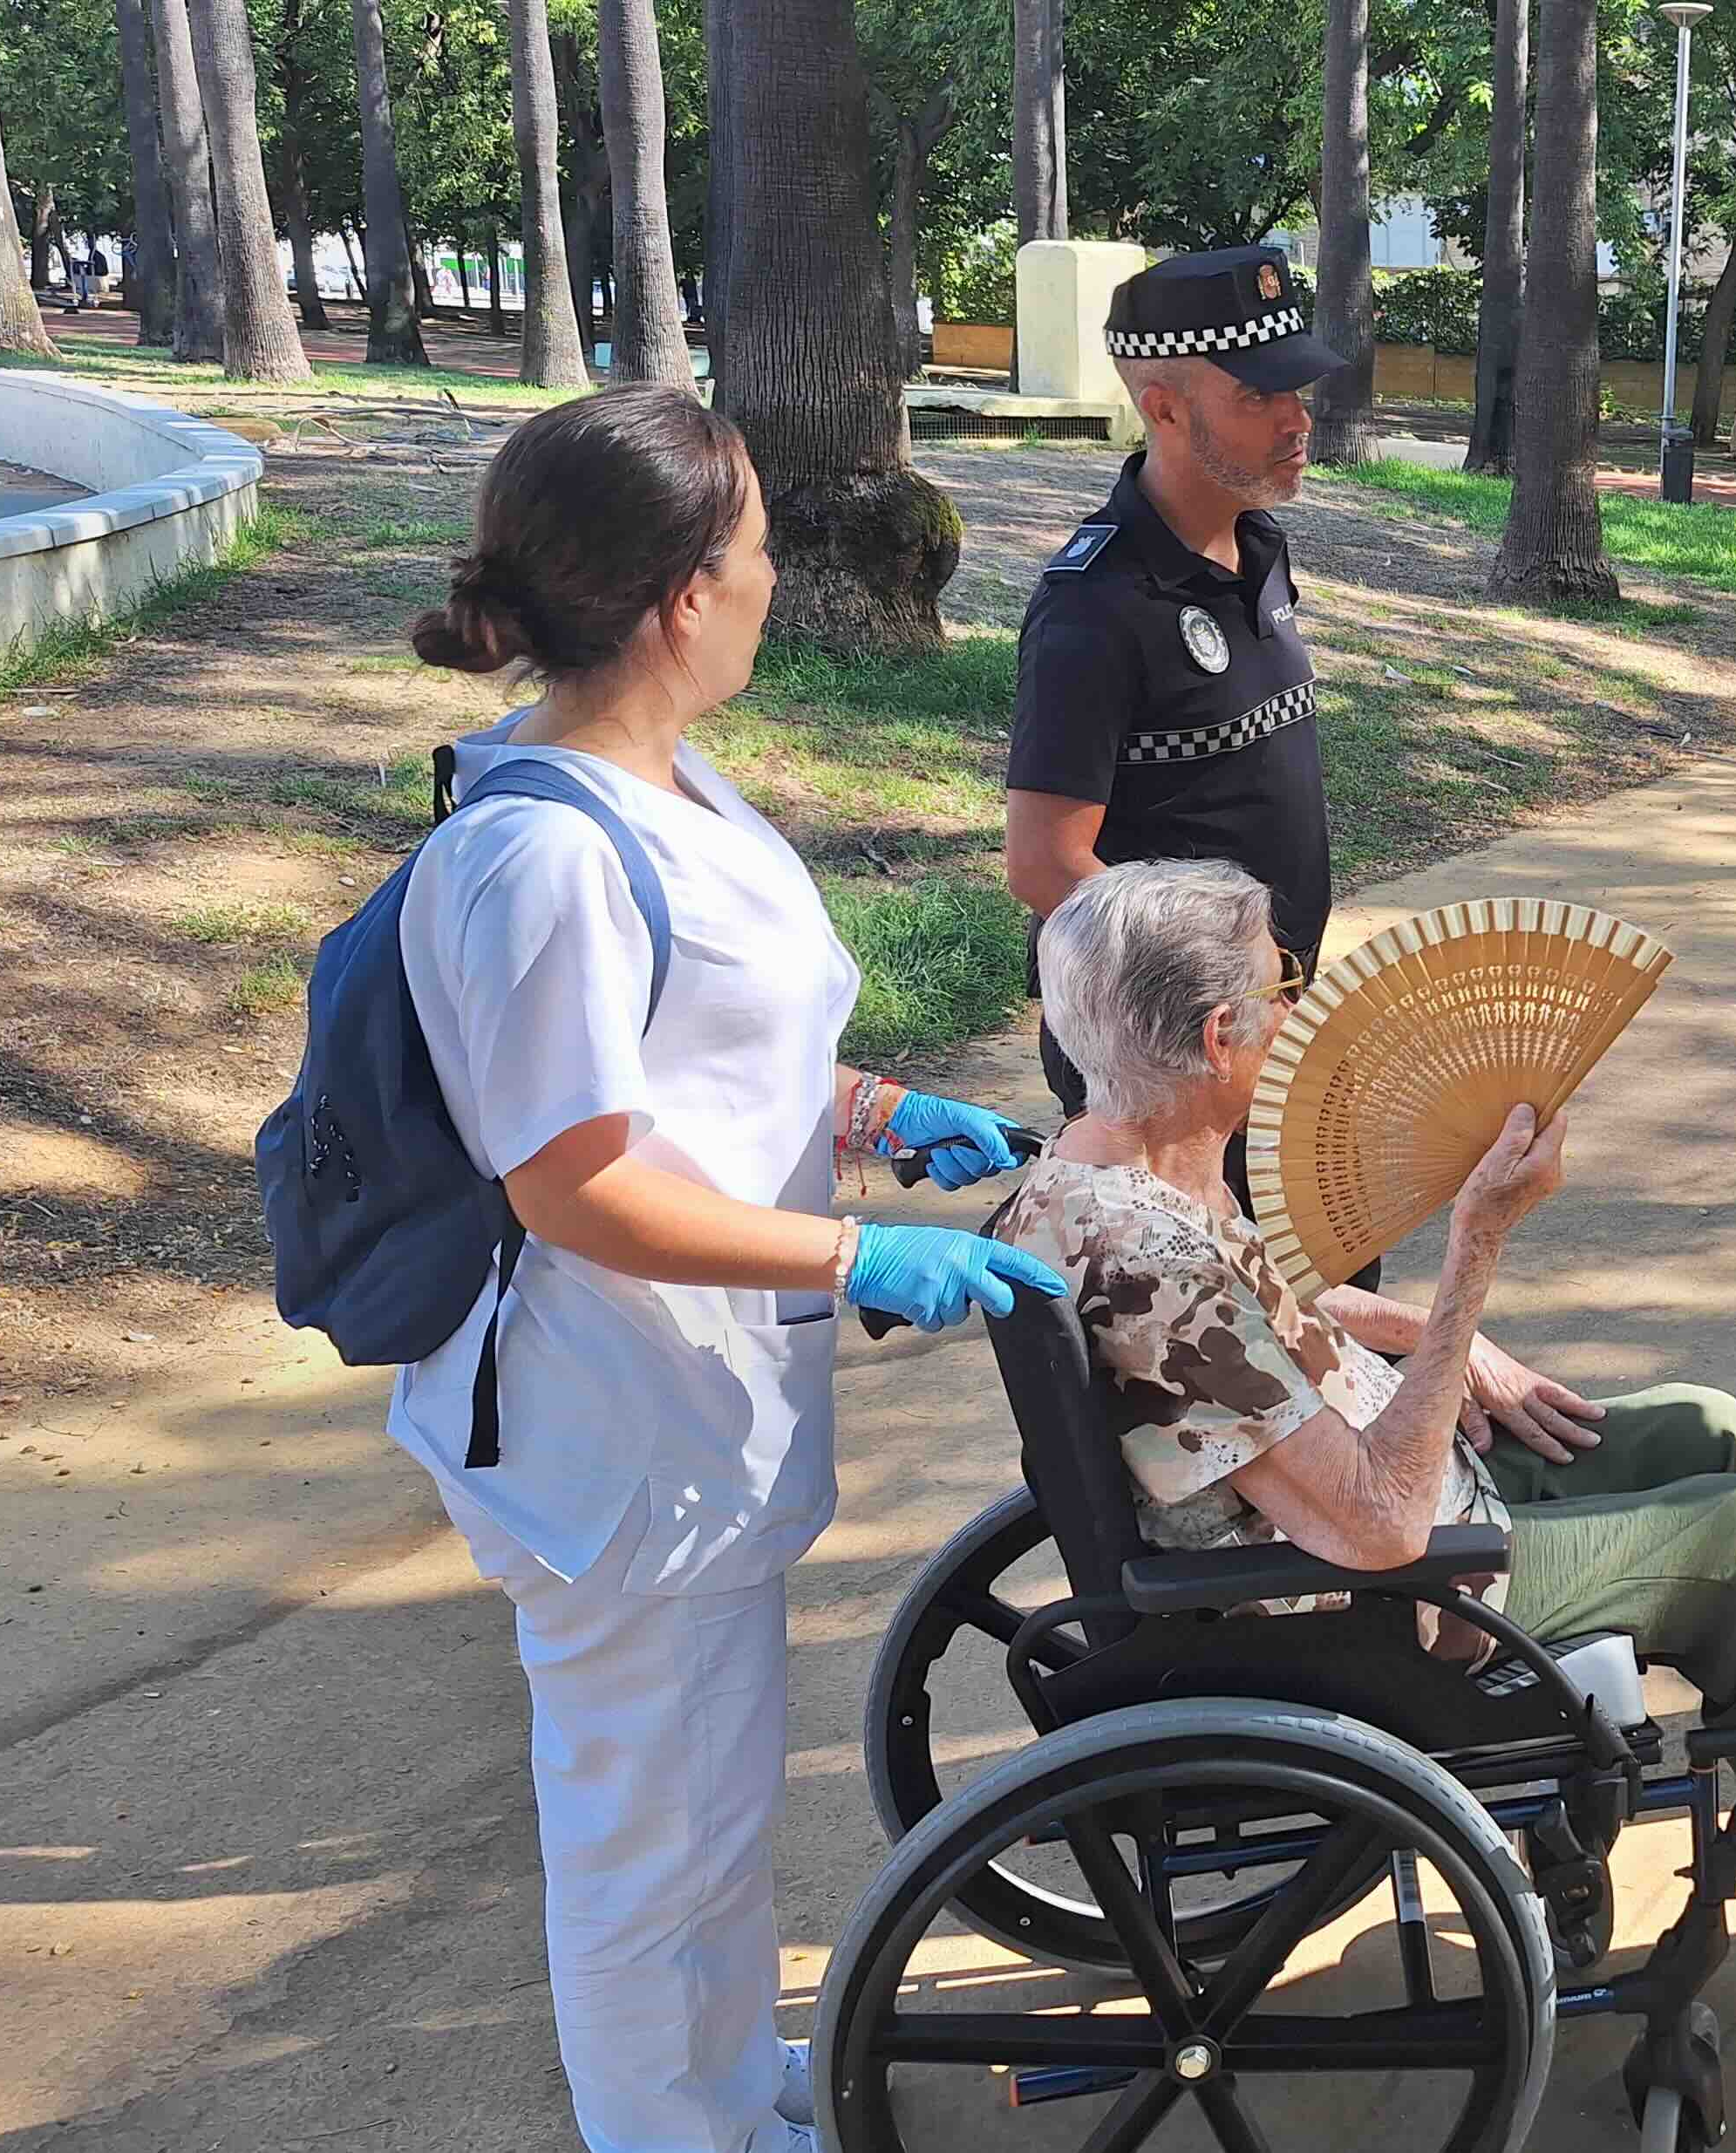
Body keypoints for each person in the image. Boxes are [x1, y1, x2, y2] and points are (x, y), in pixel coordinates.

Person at [995, 859, 1736, 1971]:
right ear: (1223, 1037)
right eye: (1282, 981)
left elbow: (1263, 1305)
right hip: (1360, 1600)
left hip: (1378, 1489)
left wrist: (1450, 1347)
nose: (1301, 1004)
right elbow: (1379, 1527)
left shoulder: (1094, 1178)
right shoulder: (1160, 1261)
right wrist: (1476, 1250)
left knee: (1706, 1424)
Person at [395, 386, 1065, 2153]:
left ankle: (713, 2068)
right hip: (614, 1428)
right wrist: (862, 1247)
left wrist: (877, 1107)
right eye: (759, 542)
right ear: (686, 591)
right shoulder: (537, 852)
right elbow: (579, 1182)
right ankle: (669, 2130)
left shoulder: (669, 782)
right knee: (641, 1819)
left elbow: (701, 1050)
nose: (776, 574)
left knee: (708, 1785)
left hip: (703, 1403)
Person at [1006, 244, 1341, 1151]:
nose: (1295, 421)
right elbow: (1044, 864)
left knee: (1324, 1282)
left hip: (1267, 1036)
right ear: (1162, 407)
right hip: (1173, 1064)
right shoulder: (1098, 604)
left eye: (1295, 392)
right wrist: (1218, 1016)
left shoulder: (1256, 547)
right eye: (1257, 398)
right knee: (1210, 1297)